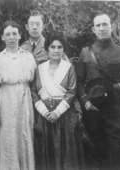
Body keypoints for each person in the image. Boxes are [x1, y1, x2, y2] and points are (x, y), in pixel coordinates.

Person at [77, 13, 120, 170]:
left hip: (116, 113)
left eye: (105, 24)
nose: (102, 28)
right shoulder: (85, 52)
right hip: (94, 114)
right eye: (98, 25)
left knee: (115, 158)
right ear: (93, 29)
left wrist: (116, 89)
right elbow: (78, 82)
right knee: (99, 157)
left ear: (111, 26)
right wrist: (85, 101)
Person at [31, 32, 83, 170]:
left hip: (63, 115)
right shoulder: (39, 68)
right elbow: (34, 92)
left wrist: (57, 112)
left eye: (59, 47)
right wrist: (44, 111)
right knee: (45, 151)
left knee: (65, 151)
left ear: (63, 49)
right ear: (47, 49)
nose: (56, 50)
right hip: (44, 115)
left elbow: (72, 91)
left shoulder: (68, 68)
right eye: (52, 47)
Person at [0, 20, 36, 170]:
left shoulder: (28, 56)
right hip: (6, 98)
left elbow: (35, 81)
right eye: (7, 34)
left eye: (14, 34)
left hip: (24, 96)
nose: (11, 37)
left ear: (20, 36)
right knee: (7, 136)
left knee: (25, 134)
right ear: (2, 37)